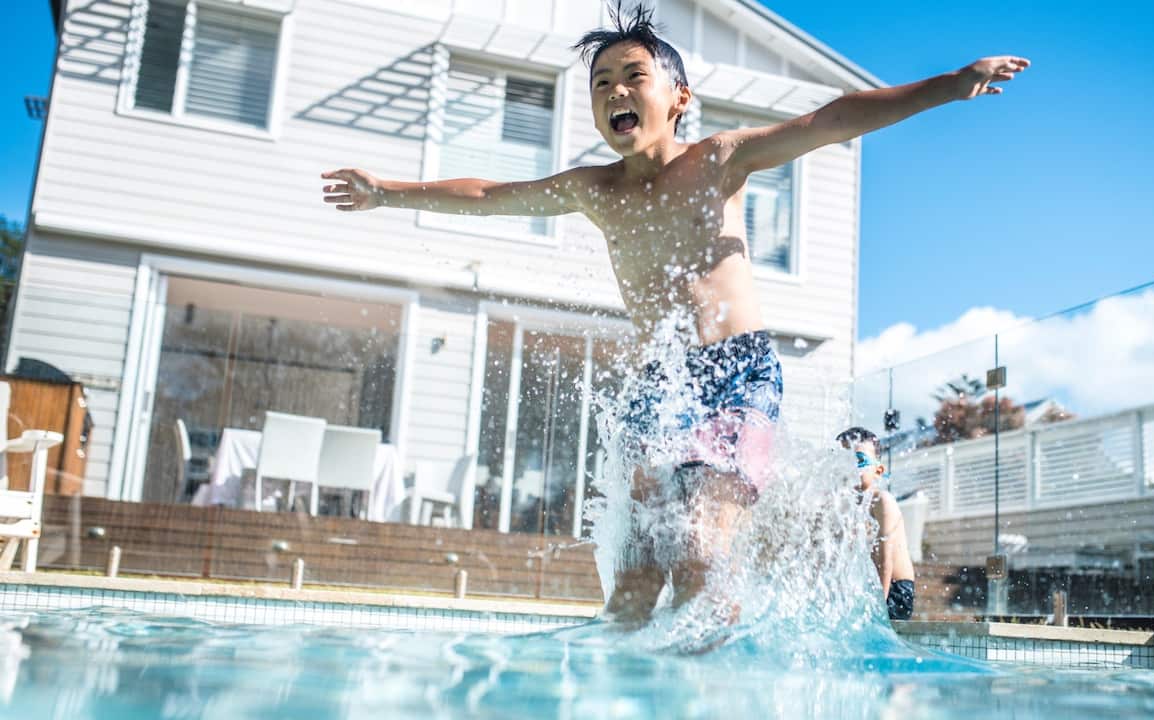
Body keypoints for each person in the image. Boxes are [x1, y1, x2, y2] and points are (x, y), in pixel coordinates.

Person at [322, 2, 1027, 624]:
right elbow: (491, 194)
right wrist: (389, 192)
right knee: (632, 586)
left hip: (736, 377)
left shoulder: (718, 162)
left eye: (632, 77)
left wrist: (949, 86)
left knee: (700, 549)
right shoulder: (594, 190)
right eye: (601, 85)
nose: (615, 92)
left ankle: (711, 686)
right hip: (660, 387)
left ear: (678, 96)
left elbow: (831, 120)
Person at [836, 427, 915, 620]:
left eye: (860, 461)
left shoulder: (883, 501)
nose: (853, 469)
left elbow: (885, 561)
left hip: (896, 589)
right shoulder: (845, 504)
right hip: (868, 585)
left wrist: (879, 608)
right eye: (846, 462)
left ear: (878, 470)